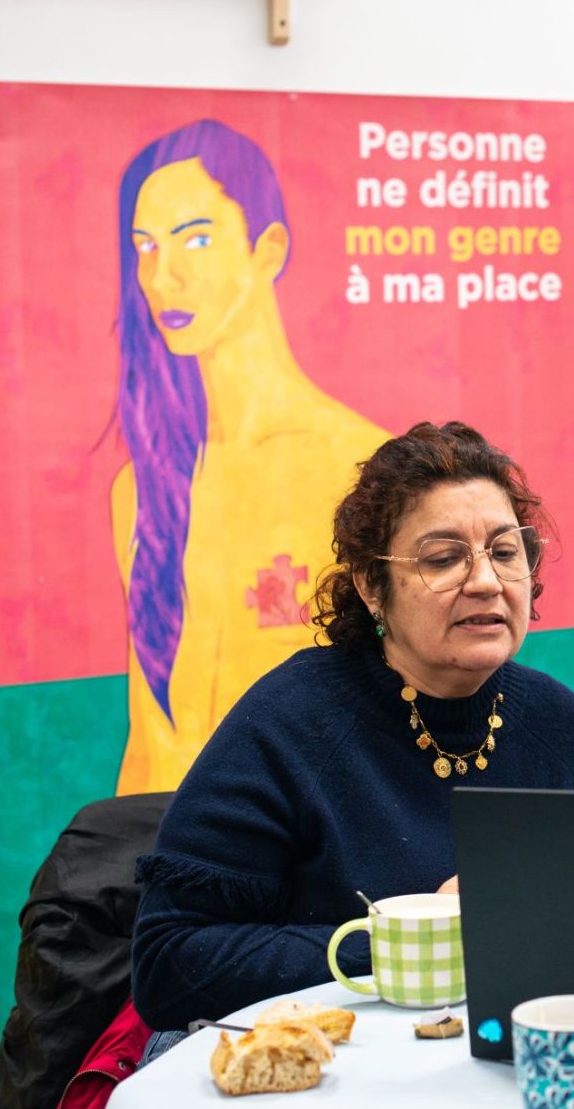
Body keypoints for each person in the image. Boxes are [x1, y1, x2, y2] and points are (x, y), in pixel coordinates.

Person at [130, 422, 574, 1032]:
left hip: (499, 1059)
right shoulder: (291, 721)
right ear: (371, 586)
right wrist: (410, 944)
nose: (487, 582)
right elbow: (168, 963)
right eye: (443, 559)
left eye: (504, 551)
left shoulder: (559, 724)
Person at [112, 118, 390, 795]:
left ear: (267, 249)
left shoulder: (363, 467)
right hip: (177, 862)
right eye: (143, 247)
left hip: (311, 858)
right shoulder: (141, 487)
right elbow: (151, 738)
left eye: (196, 239)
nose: (162, 275)